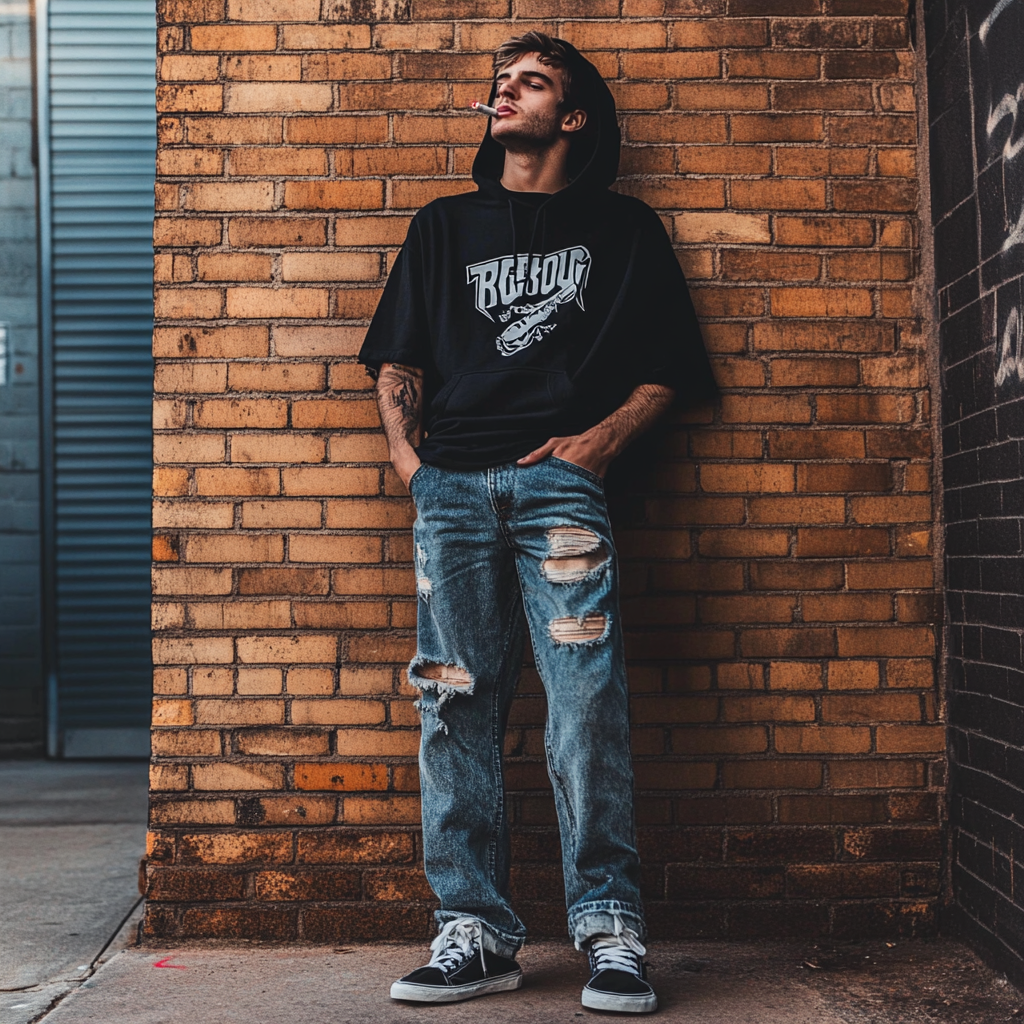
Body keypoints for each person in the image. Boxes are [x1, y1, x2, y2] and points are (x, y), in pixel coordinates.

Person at [358, 31, 717, 1013]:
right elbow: (399, 362)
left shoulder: (622, 229)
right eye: (499, 82)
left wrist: (597, 445)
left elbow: (669, 370)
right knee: (452, 703)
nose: (504, 91)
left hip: (561, 491)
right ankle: (474, 931)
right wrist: (413, 467)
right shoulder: (443, 227)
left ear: (573, 116)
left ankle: (608, 929)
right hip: (453, 491)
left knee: (585, 703)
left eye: (531, 81)